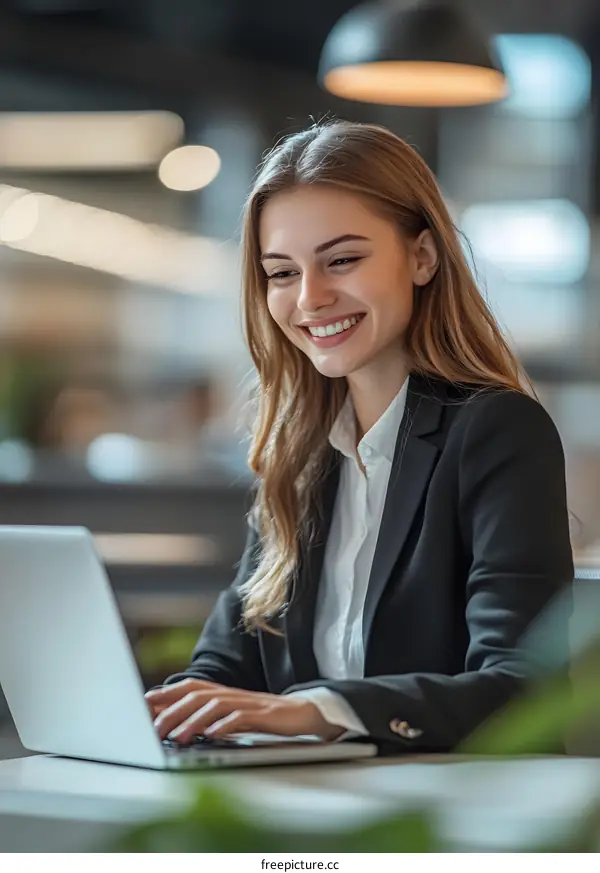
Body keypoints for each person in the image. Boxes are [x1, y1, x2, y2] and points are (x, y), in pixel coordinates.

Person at [145, 120, 574, 753]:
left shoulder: (496, 431)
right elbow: (225, 666)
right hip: (314, 803)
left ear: (422, 256)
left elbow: (523, 687)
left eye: (342, 260)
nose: (311, 298)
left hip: (442, 823)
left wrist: (317, 711)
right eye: (281, 273)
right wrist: (178, 711)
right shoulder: (300, 452)